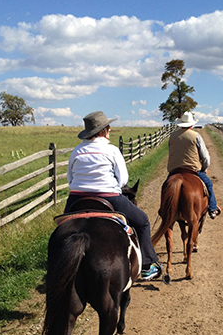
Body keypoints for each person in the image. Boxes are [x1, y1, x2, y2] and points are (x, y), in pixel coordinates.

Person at [65, 111, 162, 281]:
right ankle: (147, 264)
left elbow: (70, 178)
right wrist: (111, 188)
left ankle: (60, 262)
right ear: (104, 130)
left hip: (76, 198)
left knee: (63, 229)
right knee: (142, 221)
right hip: (108, 197)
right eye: (108, 129)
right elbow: (123, 179)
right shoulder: (112, 150)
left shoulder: (76, 151)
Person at [167, 111, 221, 219]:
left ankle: (164, 211)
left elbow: (171, 152)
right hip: (193, 169)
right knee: (209, 185)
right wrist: (204, 168)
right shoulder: (196, 136)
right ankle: (212, 208)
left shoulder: (172, 136)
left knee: (166, 187)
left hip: (174, 170)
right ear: (191, 124)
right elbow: (205, 157)